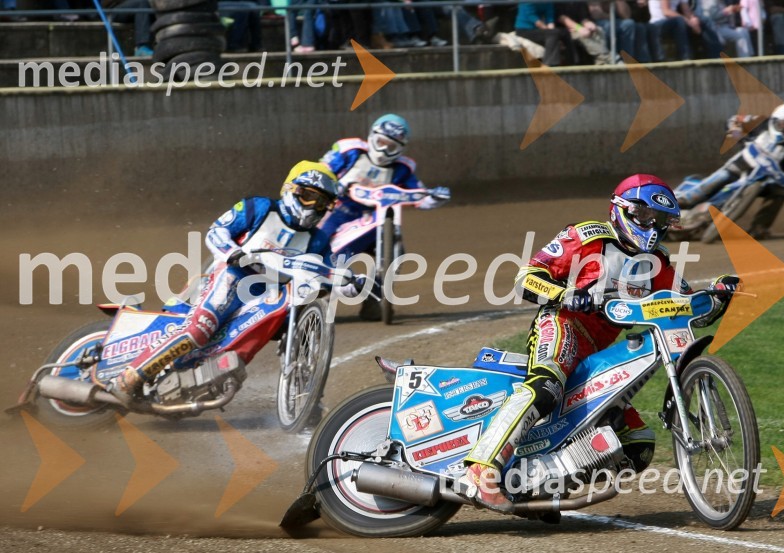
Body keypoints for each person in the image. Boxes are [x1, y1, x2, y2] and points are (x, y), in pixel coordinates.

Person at [460, 174, 738, 512]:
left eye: (661, 221)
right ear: (623, 210)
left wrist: (719, 294)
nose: (652, 228)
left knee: (639, 445)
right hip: (563, 326)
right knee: (546, 386)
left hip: (600, 355)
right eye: (646, 217)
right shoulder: (587, 236)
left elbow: (684, 307)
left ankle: (542, 489)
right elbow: (527, 277)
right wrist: (566, 295)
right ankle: (482, 467)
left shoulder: (658, 263)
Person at [110, 161, 347, 403]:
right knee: (198, 331)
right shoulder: (259, 207)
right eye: (308, 197)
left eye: (321, 203)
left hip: (270, 298)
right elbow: (216, 231)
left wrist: (352, 282)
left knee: (300, 325)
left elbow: (332, 272)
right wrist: (233, 252)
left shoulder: (318, 240)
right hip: (232, 277)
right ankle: (130, 377)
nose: (312, 208)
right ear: (291, 189)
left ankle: (310, 397)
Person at [316, 114, 451, 320]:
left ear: (400, 149)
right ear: (372, 137)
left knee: (396, 253)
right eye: (381, 143)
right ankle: (310, 295)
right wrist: (333, 184)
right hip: (336, 211)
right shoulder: (350, 151)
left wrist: (434, 197)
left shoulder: (402, 169)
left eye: (391, 147)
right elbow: (320, 171)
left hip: (370, 220)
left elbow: (419, 195)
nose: (384, 151)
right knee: (318, 250)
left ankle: (375, 298)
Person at [674, 103, 784, 239]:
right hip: (738, 168)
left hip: (762, 182)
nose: (783, 130)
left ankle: (760, 229)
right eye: (782, 125)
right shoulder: (759, 123)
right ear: (774, 120)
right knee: (722, 176)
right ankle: (685, 199)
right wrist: (738, 136)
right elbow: (733, 121)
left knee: (781, 190)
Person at [514, 2, 573, 66]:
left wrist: (551, 28)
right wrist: (549, 30)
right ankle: (548, 64)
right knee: (553, 34)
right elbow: (535, 20)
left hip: (539, 29)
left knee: (565, 32)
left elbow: (550, 17)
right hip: (525, 30)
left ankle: (572, 62)